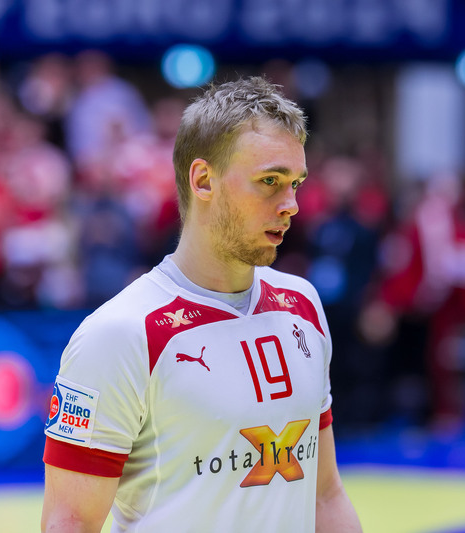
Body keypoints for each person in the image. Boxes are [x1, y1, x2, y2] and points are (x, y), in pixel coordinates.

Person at [41, 77, 362, 532]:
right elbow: (70, 522)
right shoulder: (119, 333)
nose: (291, 204)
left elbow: (325, 495)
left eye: (296, 183)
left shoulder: (302, 305)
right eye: (270, 181)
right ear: (203, 181)